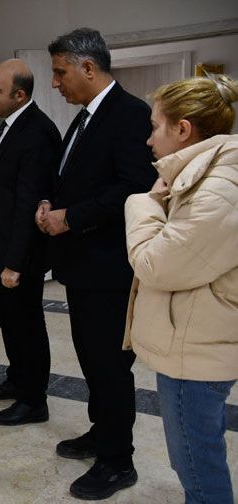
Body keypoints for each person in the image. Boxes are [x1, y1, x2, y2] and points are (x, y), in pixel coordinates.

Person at [35, 28, 157, 500]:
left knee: (109, 365)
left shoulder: (128, 115)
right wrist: (53, 202)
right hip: (83, 264)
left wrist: (74, 217)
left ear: (89, 68)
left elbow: (135, 188)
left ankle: (117, 460)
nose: (56, 83)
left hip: (109, 269)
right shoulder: (85, 117)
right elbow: (79, 180)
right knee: (90, 358)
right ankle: (99, 433)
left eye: (61, 72)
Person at [124, 74, 238, 504]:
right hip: (194, 340)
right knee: (194, 456)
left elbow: (156, 265)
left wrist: (142, 203)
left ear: (183, 129)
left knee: (197, 462)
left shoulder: (219, 191)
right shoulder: (208, 178)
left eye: (156, 127)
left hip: (198, 352)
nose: (151, 140)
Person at [0, 59, 60, 426]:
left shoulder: (37, 133)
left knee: (26, 324)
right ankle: (17, 379)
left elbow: (29, 202)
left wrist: (14, 263)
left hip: (19, 254)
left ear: (20, 95)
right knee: (5, 316)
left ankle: (33, 400)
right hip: (1, 248)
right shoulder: (11, 125)